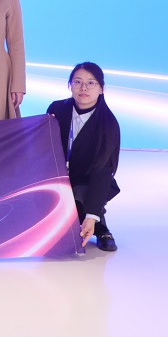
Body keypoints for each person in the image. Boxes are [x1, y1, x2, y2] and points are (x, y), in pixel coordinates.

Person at [47, 62, 120, 252]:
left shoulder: (108, 124)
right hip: (56, 177)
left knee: (82, 206)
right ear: (70, 85)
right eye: (78, 82)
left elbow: (102, 171)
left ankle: (100, 226)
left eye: (91, 83)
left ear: (101, 89)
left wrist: (92, 215)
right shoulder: (57, 109)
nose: (83, 88)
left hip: (86, 181)